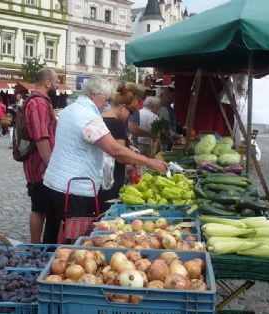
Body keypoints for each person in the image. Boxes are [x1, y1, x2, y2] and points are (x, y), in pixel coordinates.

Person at [42, 77, 167, 244]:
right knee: (74, 240)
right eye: (105, 99)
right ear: (94, 95)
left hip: (53, 182)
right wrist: (148, 161)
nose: (107, 104)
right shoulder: (88, 117)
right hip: (74, 188)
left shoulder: (69, 110)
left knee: (52, 231)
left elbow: (92, 142)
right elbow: (114, 150)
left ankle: (45, 263)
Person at [23, 68, 59, 244]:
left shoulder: (42, 102)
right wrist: (52, 166)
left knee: (41, 208)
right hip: (40, 167)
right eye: (57, 81)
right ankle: (36, 248)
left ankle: (37, 247)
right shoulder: (38, 103)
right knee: (39, 208)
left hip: (41, 166)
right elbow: (41, 138)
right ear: (48, 83)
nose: (58, 85)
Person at [98, 85, 134, 212]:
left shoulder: (100, 118)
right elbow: (120, 156)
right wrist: (137, 159)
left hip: (99, 177)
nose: (128, 116)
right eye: (129, 112)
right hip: (111, 180)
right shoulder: (116, 124)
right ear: (122, 107)